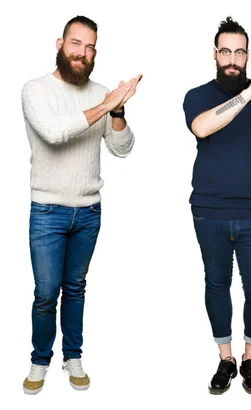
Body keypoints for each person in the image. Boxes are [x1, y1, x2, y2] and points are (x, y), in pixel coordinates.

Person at [21, 15, 142, 394]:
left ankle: (72, 355)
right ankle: (39, 360)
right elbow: (55, 133)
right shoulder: (35, 90)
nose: (83, 53)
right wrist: (105, 105)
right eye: (76, 44)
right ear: (60, 44)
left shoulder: (103, 94)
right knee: (46, 293)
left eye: (90, 48)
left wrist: (117, 110)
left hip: (89, 212)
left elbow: (122, 148)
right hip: (47, 212)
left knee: (76, 287)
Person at [183, 16, 251, 395]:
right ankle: (226, 358)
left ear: (248, 55)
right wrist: (248, 92)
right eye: (225, 51)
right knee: (217, 284)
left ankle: (250, 358)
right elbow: (202, 127)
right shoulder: (197, 96)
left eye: (239, 52)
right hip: (208, 212)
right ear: (215, 54)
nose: (232, 59)